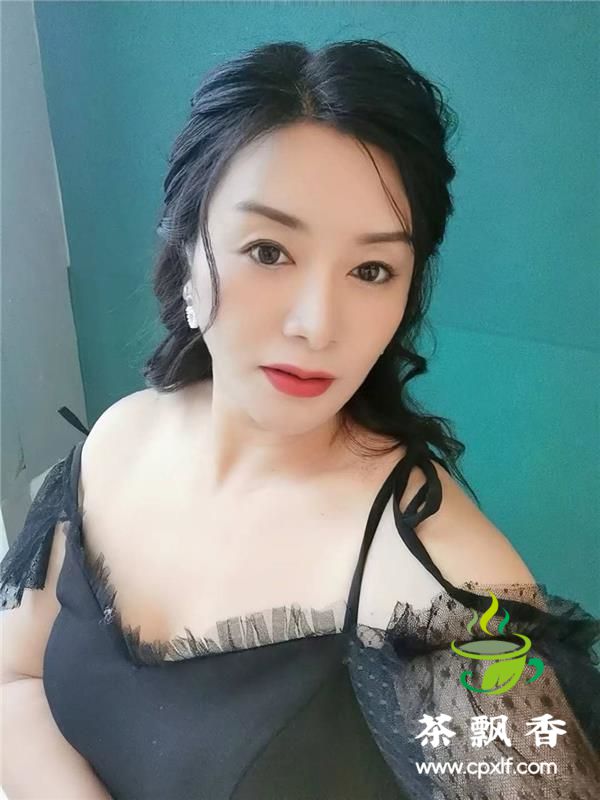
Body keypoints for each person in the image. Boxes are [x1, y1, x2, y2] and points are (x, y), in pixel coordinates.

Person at [1, 38, 599, 800]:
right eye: (269, 250)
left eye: (371, 270)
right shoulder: (120, 441)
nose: (318, 325)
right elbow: (16, 677)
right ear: (187, 255)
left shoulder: (439, 591)